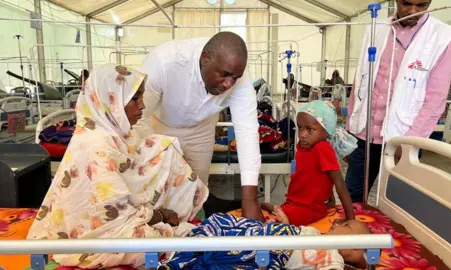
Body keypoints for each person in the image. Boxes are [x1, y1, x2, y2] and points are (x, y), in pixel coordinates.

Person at [27, 64, 208, 268]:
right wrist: (158, 215)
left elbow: (134, 170)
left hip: (117, 209)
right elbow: (111, 211)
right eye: (134, 98)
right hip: (94, 225)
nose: (141, 106)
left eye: (141, 97)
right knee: (151, 243)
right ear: (110, 101)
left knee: (161, 147)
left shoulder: (117, 134)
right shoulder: (96, 146)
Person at [137, 31, 263, 220]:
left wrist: (250, 199)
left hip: (202, 130)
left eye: (234, 78)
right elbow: (138, 115)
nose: (229, 84)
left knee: (196, 193)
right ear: (205, 58)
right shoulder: (164, 62)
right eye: (224, 75)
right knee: (158, 189)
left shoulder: (240, 77)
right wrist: (159, 148)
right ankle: (158, 232)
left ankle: (190, 233)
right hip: (161, 127)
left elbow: (247, 131)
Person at [346, 0, 451, 203]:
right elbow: (360, 80)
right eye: (406, 3)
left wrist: (409, 142)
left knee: (395, 205)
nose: (412, 11)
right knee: (351, 197)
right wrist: (350, 130)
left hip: (401, 136)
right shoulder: (376, 29)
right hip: (364, 134)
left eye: (421, 5)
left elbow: (436, 99)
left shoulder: (443, 37)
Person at [159, 213, 371, 270]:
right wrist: (286, 224)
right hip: (268, 233)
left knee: (227, 250)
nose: (337, 223)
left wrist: (362, 263)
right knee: (224, 224)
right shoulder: (317, 234)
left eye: (347, 225)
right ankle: (199, 237)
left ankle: (178, 260)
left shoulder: (332, 257)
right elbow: (296, 232)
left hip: (273, 251)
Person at [262, 100, 356, 226]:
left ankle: (281, 215)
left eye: (310, 130)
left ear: (327, 131)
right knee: (285, 211)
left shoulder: (322, 148)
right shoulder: (303, 146)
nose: (302, 134)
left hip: (310, 207)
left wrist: (350, 219)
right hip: (295, 201)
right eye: (300, 128)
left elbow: (338, 182)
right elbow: (322, 176)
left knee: (282, 219)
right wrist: (331, 202)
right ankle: (279, 211)